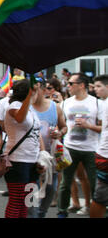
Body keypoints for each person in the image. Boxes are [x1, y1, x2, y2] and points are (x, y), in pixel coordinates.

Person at [57, 72, 103, 218]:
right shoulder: (65, 103)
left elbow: (104, 128)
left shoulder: (97, 103)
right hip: (70, 147)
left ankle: (98, 211)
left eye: (71, 83)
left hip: (91, 149)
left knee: (95, 182)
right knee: (66, 182)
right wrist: (58, 133)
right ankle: (62, 211)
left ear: (82, 85)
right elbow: (61, 125)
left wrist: (88, 126)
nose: (68, 86)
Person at [3, 79, 44, 218]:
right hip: (18, 159)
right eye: (35, 90)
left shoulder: (30, 108)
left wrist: (42, 156)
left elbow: (36, 133)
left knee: (26, 201)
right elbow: (20, 118)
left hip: (31, 159)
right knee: (17, 200)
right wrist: (29, 97)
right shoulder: (14, 106)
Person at [28, 80, 67, 218]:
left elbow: (64, 126)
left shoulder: (55, 107)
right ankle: (31, 214)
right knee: (31, 187)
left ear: (44, 90)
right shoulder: (26, 108)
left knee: (50, 187)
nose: (32, 93)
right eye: (30, 90)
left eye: (35, 89)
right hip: (31, 154)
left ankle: (41, 213)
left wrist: (60, 133)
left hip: (50, 155)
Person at [90, 75, 108, 218]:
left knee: (100, 196)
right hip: (105, 155)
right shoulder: (104, 103)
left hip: (103, 153)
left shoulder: (104, 103)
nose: (95, 89)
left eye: (98, 86)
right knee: (100, 197)